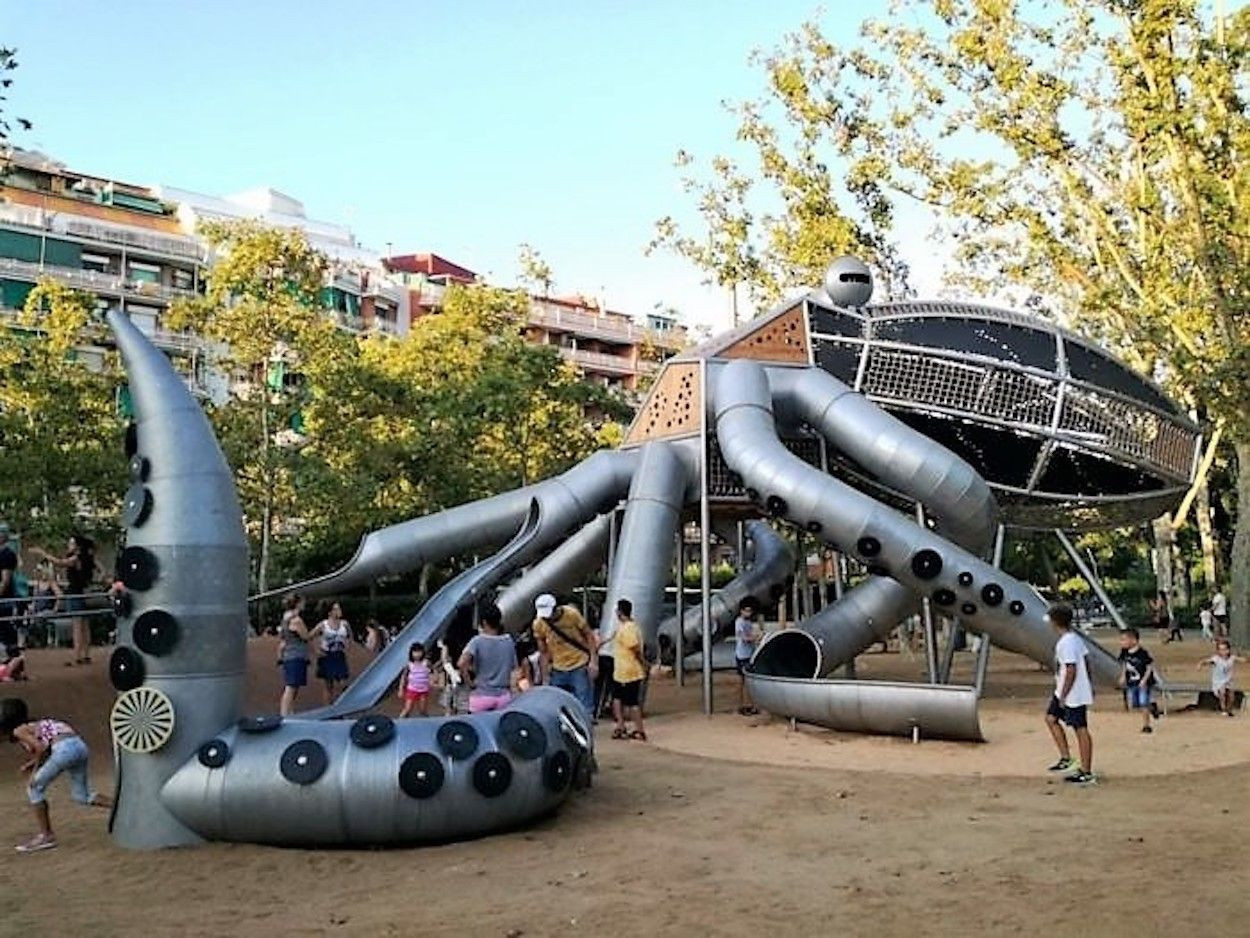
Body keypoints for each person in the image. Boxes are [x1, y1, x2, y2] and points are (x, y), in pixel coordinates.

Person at [1, 697, 111, 853]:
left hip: (64, 750)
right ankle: (120, 808)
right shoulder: (37, 724)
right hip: (79, 746)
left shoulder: (19, 730)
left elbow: (40, 748)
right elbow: (48, 748)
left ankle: (46, 836)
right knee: (82, 796)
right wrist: (32, 764)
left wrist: (34, 772)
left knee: (34, 788)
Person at [1044, 603, 1096, 785]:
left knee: (1080, 728)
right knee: (1051, 718)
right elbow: (1087, 661)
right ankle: (1066, 757)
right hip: (1065, 690)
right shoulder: (1075, 639)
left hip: (1072, 693)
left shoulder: (1067, 643)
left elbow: (1071, 668)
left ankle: (1086, 770)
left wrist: (1064, 694)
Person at [34, 534, 97, 665]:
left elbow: (59, 563)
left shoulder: (75, 559)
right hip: (84, 592)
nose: (69, 546)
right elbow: (102, 571)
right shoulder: (89, 558)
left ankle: (77, 656)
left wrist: (43, 553)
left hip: (75, 592)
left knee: (77, 625)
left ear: (77, 547)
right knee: (85, 625)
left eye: (71, 544)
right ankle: (86, 654)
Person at [533, 593, 598, 715]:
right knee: (557, 706)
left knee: (584, 705)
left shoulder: (571, 615)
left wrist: (593, 661)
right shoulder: (539, 623)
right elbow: (543, 651)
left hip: (579, 663)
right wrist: (545, 676)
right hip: (558, 667)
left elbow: (589, 635)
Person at [458, 602, 518, 713]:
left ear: (484, 622)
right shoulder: (508, 641)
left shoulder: (477, 641)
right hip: (503, 696)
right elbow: (514, 668)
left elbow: (461, 663)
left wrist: (469, 682)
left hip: (481, 695)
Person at [609, 599, 647, 741]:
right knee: (617, 699)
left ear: (620, 612)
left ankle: (639, 729)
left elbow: (634, 647)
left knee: (631, 702)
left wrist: (643, 662)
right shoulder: (625, 626)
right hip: (621, 671)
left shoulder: (628, 628)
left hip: (628, 671)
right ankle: (621, 725)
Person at [309, 602, 351, 705]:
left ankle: (342, 706)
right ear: (330, 612)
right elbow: (309, 637)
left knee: (343, 683)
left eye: (339, 609)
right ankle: (328, 708)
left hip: (339, 655)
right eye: (336, 609)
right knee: (328, 685)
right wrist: (316, 650)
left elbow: (350, 636)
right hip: (327, 655)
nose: (339, 611)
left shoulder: (344, 624)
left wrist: (347, 646)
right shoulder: (323, 625)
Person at [276, 594, 311, 716]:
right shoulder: (296, 620)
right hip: (296, 654)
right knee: (291, 686)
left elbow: (283, 640)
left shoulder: (285, 619)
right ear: (297, 604)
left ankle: (289, 712)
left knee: (293, 686)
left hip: (289, 654)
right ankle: (285, 713)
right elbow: (306, 636)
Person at [1117, 628, 1156, 733]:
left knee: (1143, 702)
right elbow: (1125, 664)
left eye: (1124, 640)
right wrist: (1123, 676)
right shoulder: (1124, 652)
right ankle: (1152, 707)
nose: (1122, 642)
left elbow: (1149, 666)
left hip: (1143, 682)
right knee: (1135, 703)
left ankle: (1146, 726)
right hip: (1132, 681)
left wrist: (1144, 680)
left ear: (1134, 640)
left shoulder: (1142, 653)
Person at [1199, 639, 1246, 717]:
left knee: (1231, 697)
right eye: (1221, 650)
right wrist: (1200, 664)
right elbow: (1206, 661)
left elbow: (1242, 660)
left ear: (1228, 650)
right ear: (1218, 651)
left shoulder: (1232, 658)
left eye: (1225, 649)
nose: (1223, 652)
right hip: (1218, 682)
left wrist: (1244, 659)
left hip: (1229, 682)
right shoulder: (1216, 659)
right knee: (1222, 691)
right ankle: (1223, 709)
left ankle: (1229, 710)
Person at [734, 598, 763, 716]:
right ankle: (743, 705)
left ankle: (748, 705)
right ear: (741, 611)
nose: (748, 613)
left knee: (747, 681)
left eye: (750, 611)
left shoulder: (749, 623)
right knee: (744, 681)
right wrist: (755, 638)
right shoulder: (739, 622)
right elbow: (743, 637)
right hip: (742, 655)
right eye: (746, 610)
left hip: (749, 654)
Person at [0, 523, 20, 653]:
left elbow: (5, 581)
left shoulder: (7, 555)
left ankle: (15, 664)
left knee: (5, 630)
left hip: (4, 599)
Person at [398, 642, 432, 717]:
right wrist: (401, 689)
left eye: (419, 652)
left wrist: (434, 679)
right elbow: (403, 677)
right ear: (411, 653)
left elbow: (433, 671)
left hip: (423, 690)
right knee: (408, 708)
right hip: (412, 689)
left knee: (423, 709)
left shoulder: (426, 663)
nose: (417, 654)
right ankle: (400, 720)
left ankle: (428, 722)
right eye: (415, 652)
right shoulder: (409, 664)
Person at [437, 639, 467, 715]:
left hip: (457, 684)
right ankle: (449, 712)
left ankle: (451, 712)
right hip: (451, 684)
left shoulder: (450, 663)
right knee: (449, 700)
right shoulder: (447, 663)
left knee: (456, 702)